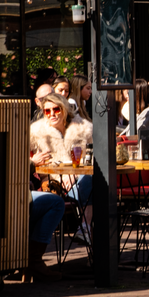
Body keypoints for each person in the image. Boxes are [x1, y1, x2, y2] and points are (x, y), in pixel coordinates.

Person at [30, 94, 93, 244]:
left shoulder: (84, 129)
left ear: (64, 109)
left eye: (56, 109)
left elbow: (95, 157)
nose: (51, 114)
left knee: (92, 181)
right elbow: (18, 155)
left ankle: (85, 228)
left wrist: (74, 174)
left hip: (80, 181)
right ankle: (86, 230)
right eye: (47, 111)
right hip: (54, 185)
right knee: (94, 190)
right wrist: (32, 161)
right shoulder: (36, 131)